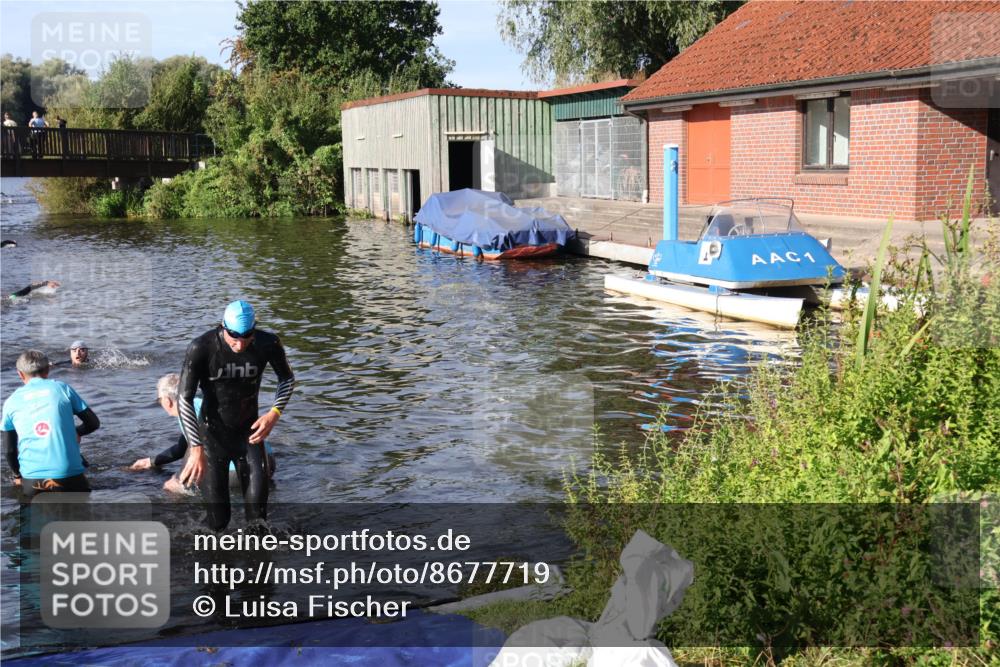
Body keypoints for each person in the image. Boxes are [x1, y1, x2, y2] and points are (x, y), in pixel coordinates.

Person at [177, 300, 294, 530]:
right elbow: (184, 398)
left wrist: (274, 413)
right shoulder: (201, 347)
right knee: (218, 523)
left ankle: (260, 565)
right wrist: (196, 447)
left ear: (255, 329)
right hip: (212, 439)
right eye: (233, 336)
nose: (240, 344)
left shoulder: (268, 343)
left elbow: (287, 378)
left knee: (258, 521)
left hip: (249, 437)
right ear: (223, 326)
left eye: (247, 336)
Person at [129, 373, 276, 494]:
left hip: (240, 471)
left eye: (159, 399)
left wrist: (180, 480)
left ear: (167, 401)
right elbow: (182, 447)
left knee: (170, 487)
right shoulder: (201, 404)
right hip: (266, 462)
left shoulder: (188, 414)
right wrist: (152, 461)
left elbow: (193, 451)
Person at [2, 350, 100, 498]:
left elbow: (9, 450)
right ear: (48, 369)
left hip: (33, 481)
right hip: (71, 478)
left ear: (20, 374)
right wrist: (77, 432)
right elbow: (93, 423)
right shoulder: (62, 388)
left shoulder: (10, 402)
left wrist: (17, 476)